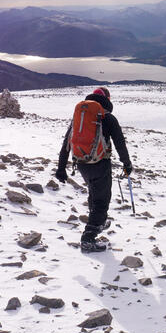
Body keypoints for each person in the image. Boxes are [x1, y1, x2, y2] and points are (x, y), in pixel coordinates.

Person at [55, 87, 132, 253]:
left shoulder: (79, 118)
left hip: (81, 163)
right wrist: (127, 164)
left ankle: (98, 221)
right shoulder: (108, 118)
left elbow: (66, 144)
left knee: (94, 193)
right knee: (101, 200)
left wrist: (61, 168)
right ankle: (89, 238)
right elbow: (120, 143)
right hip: (100, 164)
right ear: (107, 100)